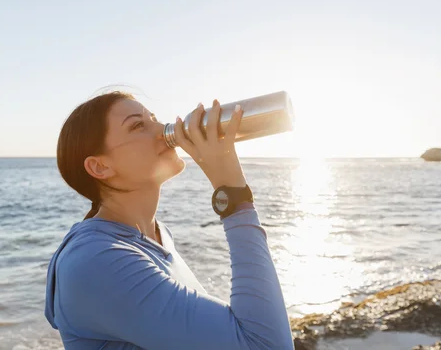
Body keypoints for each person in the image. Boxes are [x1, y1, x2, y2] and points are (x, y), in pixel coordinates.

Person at [44, 91, 294, 349]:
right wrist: (233, 195)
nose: (163, 128)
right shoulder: (95, 261)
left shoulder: (157, 236)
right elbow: (266, 345)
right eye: (138, 125)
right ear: (100, 167)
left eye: (153, 118)